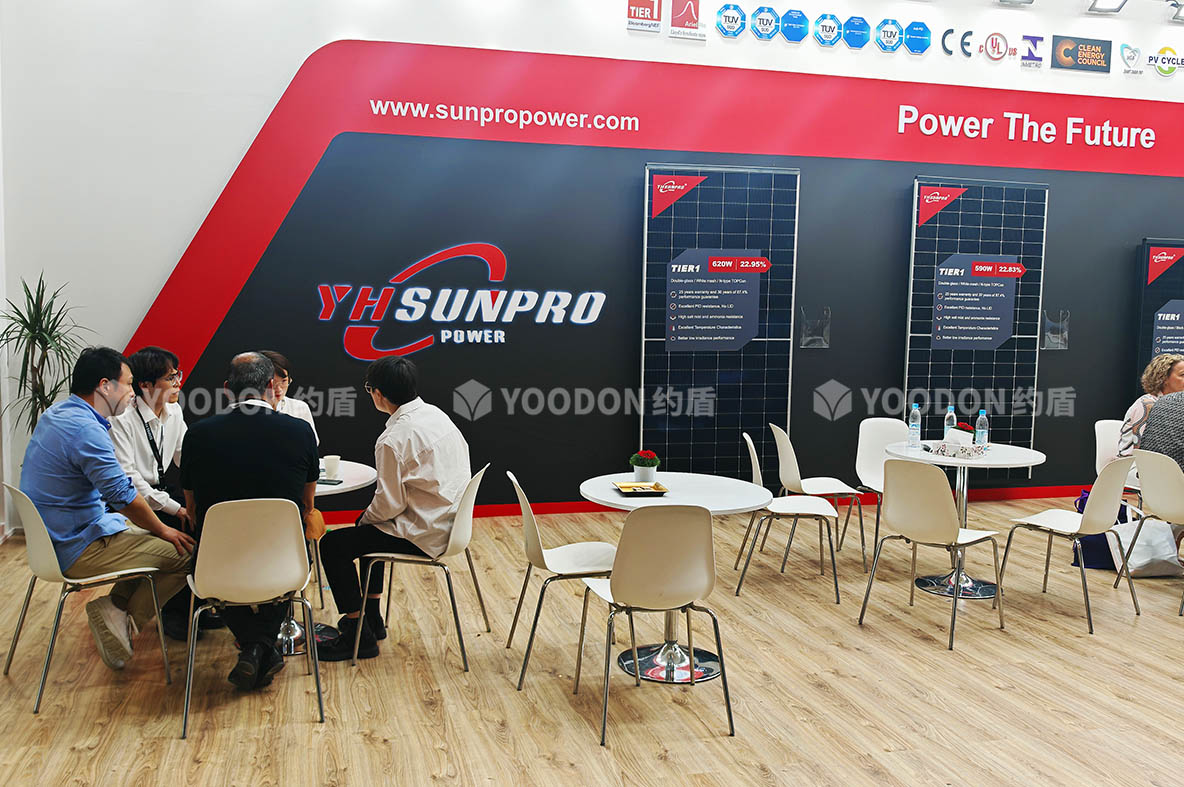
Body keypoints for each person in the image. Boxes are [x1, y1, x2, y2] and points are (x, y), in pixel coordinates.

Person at [19, 347, 195, 671]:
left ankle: (115, 607)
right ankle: (125, 621)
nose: (132, 392)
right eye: (127, 384)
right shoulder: (86, 430)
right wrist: (164, 529)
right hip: (76, 546)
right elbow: (122, 495)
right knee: (187, 554)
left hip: (59, 537)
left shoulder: (59, 414)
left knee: (158, 540)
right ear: (105, 386)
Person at [315, 357, 471, 662]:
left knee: (333, 544)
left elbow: (389, 504)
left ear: (378, 394)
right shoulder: (436, 414)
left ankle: (358, 633)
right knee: (370, 529)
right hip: (451, 524)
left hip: (423, 533)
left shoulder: (392, 439)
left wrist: (364, 519)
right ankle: (372, 617)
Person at [180, 352, 320, 690]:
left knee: (212, 576)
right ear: (271, 385)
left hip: (216, 564)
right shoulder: (300, 432)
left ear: (227, 389)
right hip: (284, 562)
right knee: (295, 554)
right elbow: (307, 505)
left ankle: (254, 647)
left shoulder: (198, 435)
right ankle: (261, 647)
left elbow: (192, 509)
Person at [1116, 353, 1184, 460]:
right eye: (1183, 375)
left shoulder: (1175, 405)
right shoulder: (1147, 404)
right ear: (1164, 378)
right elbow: (1143, 452)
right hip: (1133, 465)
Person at [260, 350, 319, 444]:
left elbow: (312, 442)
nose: (279, 389)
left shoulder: (299, 407)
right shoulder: (246, 409)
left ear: (290, 380)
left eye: (283, 381)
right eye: (273, 383)